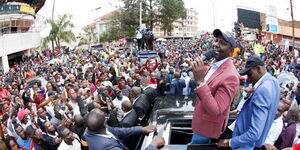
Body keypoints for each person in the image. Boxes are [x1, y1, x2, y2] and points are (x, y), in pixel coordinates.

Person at [218, 56, 280, 149]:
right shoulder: (273, 82)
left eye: (249, 74)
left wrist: (230, 142)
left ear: (258, 69)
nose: (248, 79)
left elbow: (254, 133)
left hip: (245, 145)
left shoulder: (262, 89)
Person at [190, 29, 240, 144]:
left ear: (231, 51)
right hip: (200, 122)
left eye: (222, 43)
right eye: (216, 41)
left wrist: (200, 82)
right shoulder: (215, 63)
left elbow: (216, 110)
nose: (216, 44)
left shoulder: (231, 76)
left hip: (206, 130)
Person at [84, 109, 165, 150]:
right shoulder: (109, 148)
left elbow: (118, 131)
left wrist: (141, 129)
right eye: (105, 117)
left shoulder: (93, 128)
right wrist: (153, 145)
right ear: (105, 123)